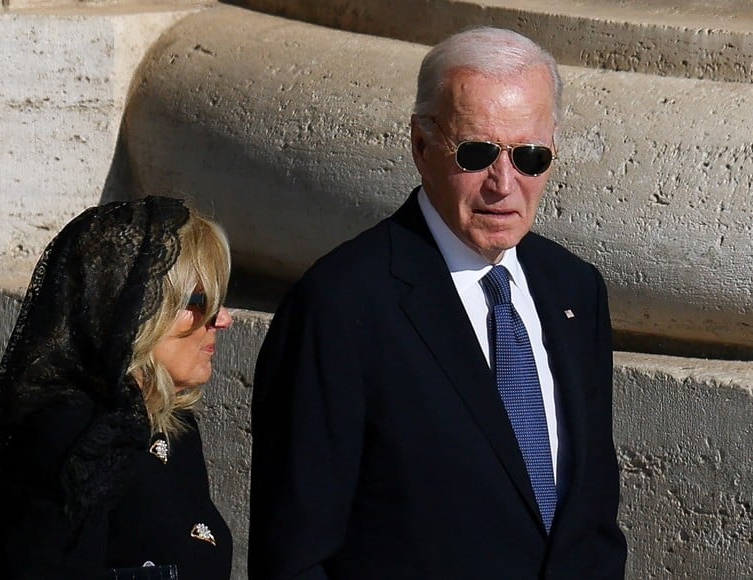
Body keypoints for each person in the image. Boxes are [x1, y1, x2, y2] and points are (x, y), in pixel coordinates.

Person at [248, 27, 627, 579]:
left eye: (530, 156)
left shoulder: (574, 289)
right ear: (421, 146)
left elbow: (589, 520)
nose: (504, 183)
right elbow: (296, 554)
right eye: (477, 154)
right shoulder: (340, 305)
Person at [0, 196, 234, 579]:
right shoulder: (73, 435)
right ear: (138, 308)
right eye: (200, 302)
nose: (222, 319)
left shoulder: (169, 421)